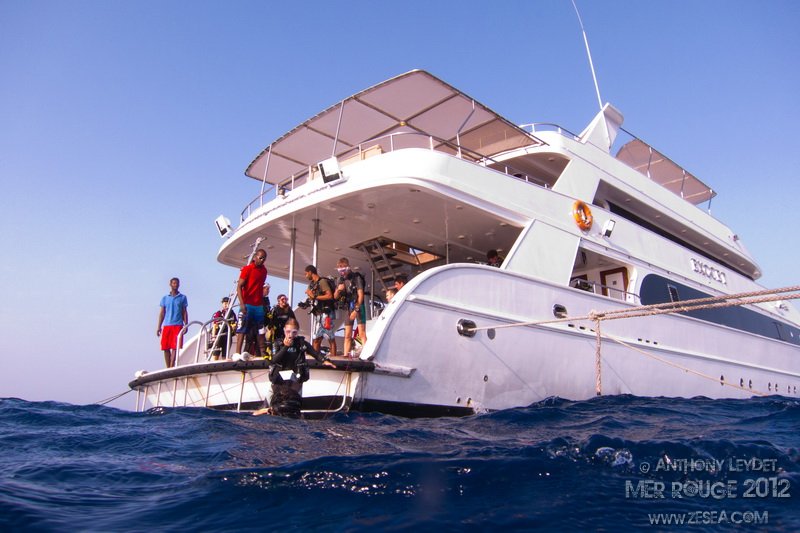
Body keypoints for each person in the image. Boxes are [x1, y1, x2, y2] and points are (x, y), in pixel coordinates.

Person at [253, 318, 336, 417]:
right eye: (288, 332)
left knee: (292, 407)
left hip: (295, 381)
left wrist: (325, 361)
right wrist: (285, 347)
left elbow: (315, 353)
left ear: (297, 332)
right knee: (267, 407)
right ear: (284, 330)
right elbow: (274, 360)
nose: (291, 335)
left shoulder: (301, 343)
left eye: (294, 332)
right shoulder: (278, 343)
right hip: (279, 380)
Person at [235, 249, 268, 358]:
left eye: (264, 258)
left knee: (261, 330)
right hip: (247, 304)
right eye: (260, 257)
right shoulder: (247, 269)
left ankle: (263, 353)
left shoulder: (264, 271)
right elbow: (239, 286)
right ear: (255, 257)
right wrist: (242, 303)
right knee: (242, 330)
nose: (262, 260)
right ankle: (237, 354)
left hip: (258, 305)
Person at [334, 257, 367, 357]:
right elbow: (335, 297)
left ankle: (366, 354)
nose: (342, 273)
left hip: (358, 306)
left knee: (361, 333)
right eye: (340, 271)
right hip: (348, 307)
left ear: (348, 268)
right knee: (347, 335)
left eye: (344, 270)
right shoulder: (340, 279)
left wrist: (356, 310)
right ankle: (345, 356)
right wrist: (339, 290)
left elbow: (361, 296)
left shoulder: (356, 277)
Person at [303, 264, 337, 358]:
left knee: (330, 337)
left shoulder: (322, 282)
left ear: (310, 272)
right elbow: (312, 297)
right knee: (316, 338)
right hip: (318, 314)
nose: (306, 276)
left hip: (326, 313)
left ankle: (334, 358)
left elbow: (329, 295)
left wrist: (314, 296)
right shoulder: (312, 284)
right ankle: (316, 358)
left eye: (306, 274)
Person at [157, 277, 188, 368]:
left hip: (178, 325)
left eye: (177, 283)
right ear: (170, 284)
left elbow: (184, 312)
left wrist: (186, 324)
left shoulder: (182, 298)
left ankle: (172, 365)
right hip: (167, 325)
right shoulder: (165, 298)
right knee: (165, 347)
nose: (175, 285)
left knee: (175, 346)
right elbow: (162, 313)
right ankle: (168, 367)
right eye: (174, 283)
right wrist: (159, 326)